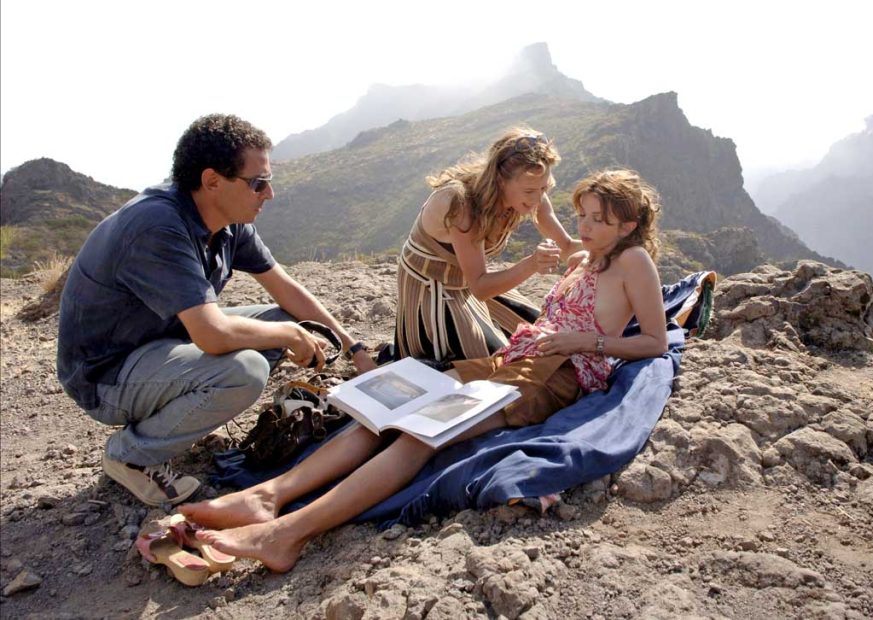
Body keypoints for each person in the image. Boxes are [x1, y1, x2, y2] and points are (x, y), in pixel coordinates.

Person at [180, 169, 667, 573]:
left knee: (421, 432)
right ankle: (266, 496)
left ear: (628, 226)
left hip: (554, 374)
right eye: (582, 213)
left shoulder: (634, 262)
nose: (583, 226)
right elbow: (544, 215)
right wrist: (533, 195)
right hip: (515, 357)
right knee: (388, 407)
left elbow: (654, 342)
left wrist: (588, 342)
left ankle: (287, 533)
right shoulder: (585, 256)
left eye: (598, 219)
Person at [56, 114, 375, 508]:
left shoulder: (226, 221)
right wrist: (289, 337)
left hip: (159, 342)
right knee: (246, 370)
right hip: (106, 375)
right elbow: (212, 335)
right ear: (212, 181)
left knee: (291, 321)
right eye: (258, 183)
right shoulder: (157, 225)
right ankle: (130, 454)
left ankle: (179, 416)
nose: (269, 194)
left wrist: (355, 350)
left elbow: (286, 290)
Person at [391, 127, 581, 363]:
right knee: (499, 360)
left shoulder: (532, 187)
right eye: (530, 191)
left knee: (544, 334)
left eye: (544, 189)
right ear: (500, 181)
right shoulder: (461, 204)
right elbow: (481, 287)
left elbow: (567, 245)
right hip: (433, 286)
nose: (537, 198)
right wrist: (532, 263)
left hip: (469, 282)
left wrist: (614, 250)